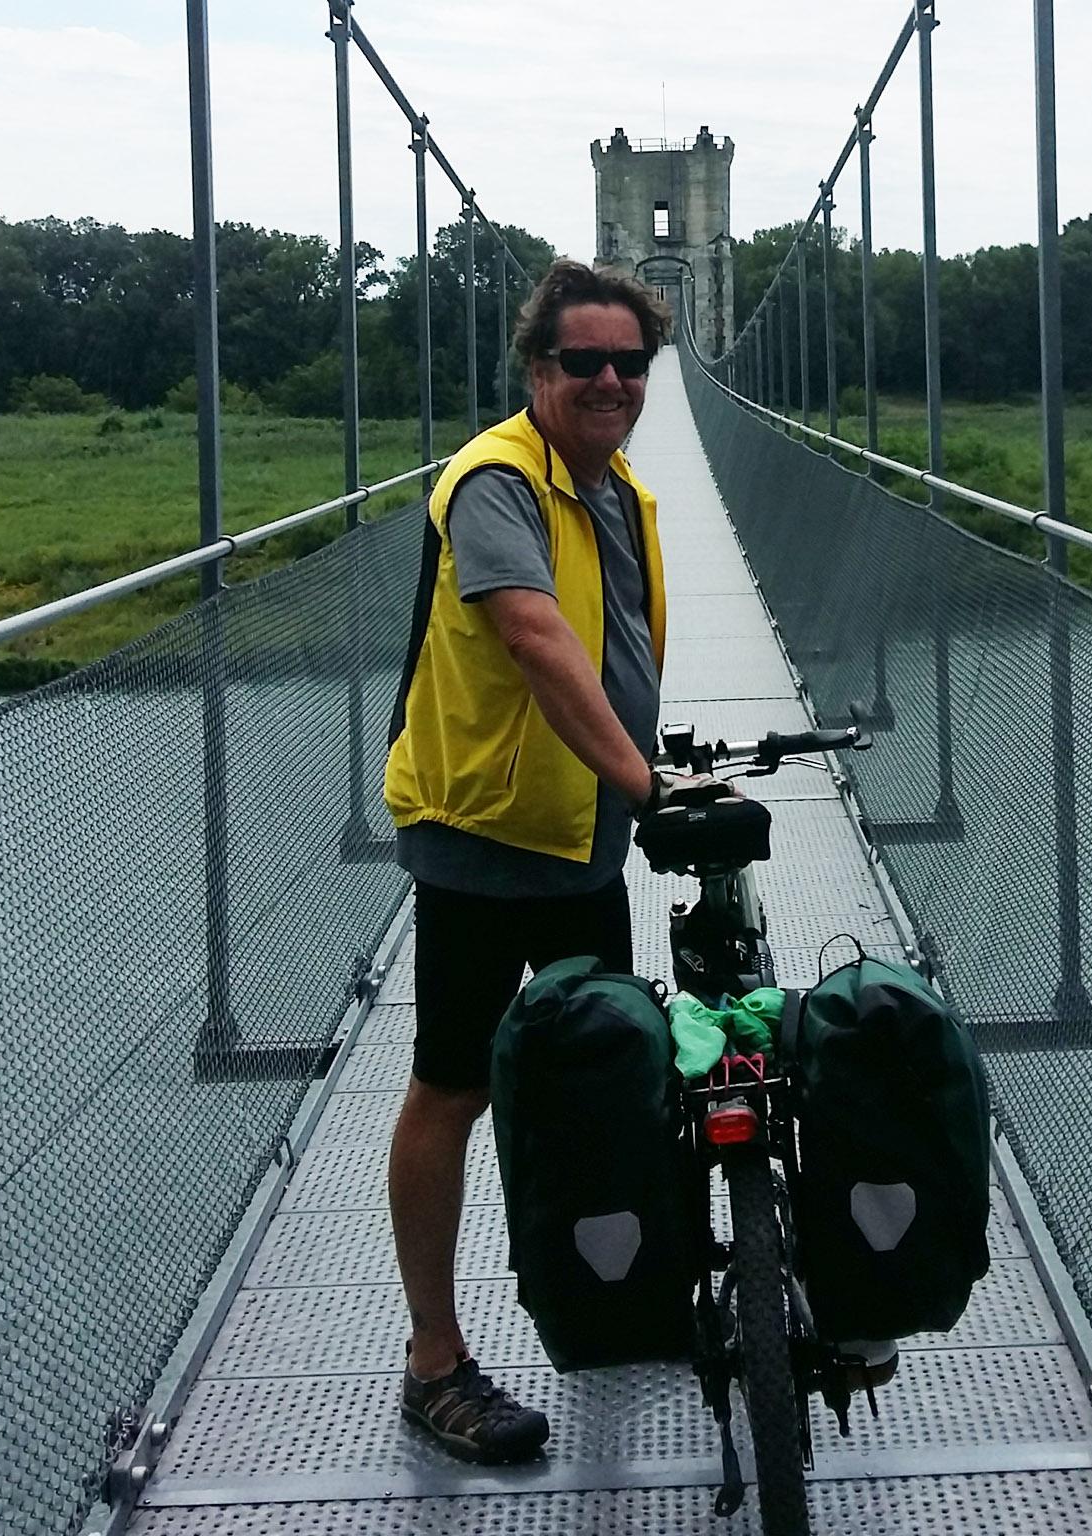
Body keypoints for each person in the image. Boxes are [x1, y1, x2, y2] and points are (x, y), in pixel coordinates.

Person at [382, 260, 685, 1464]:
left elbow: (611, 654)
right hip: (481, 839)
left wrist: (641, 777)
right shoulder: (494, 478)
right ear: (535, 369)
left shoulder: (619, 491)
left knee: (587, 1074)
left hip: (579, 837)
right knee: (454, 1086)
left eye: (629, 363)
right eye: (582, 363)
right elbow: (531, 632)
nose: (609, 381)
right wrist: (645, 781)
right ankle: (434, 1362)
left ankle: (595, 1299)